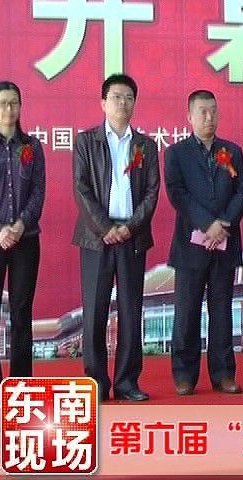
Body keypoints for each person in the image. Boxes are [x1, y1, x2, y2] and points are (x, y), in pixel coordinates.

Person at [72, 74, 160, 401]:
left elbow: (152, 192)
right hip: (96, 238)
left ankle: (126, 382)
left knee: (130, 311)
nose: (122, 103)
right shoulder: (86, 141)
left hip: (132, 237)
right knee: (94, 312)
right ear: (103, 103)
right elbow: (80, 188)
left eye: (128, 97)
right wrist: (105, 228)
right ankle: (95, 382)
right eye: (116, 97)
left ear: (135, 103)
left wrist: (129, 227)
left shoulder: (146, 145)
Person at [165, 89, 243, 396]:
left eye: (213, 111)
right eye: (202, 111)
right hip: (190, 246)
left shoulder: (232, 151)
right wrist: (207, 224)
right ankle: (184, 375)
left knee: (222, 311)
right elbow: (177, 193)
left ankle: (223, 374)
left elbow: (242, 190)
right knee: (186, 313)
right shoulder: (176, 153)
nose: (209, 117)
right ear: (189, 116)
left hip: (225, 243)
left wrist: (223, 224)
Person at [0, 81, 46, 381]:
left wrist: (19, 225)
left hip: (25, 239)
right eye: (3, 103)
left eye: (14, 102)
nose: (9, 109)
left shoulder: (32, 146)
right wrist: (0, 230)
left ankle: (20, 383)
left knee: (21, 312)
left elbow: (38, 191)